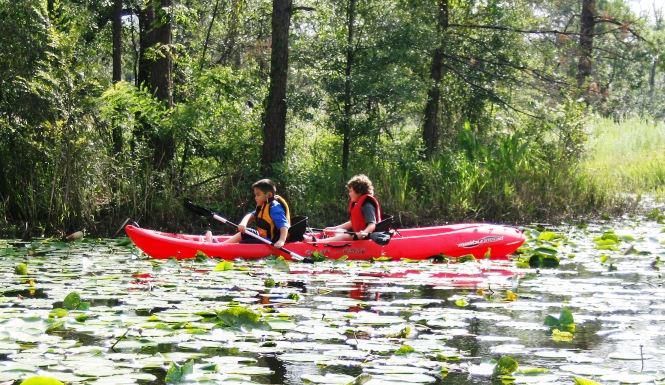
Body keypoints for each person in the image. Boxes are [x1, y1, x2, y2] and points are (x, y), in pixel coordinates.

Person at [218, 179, 290, 248]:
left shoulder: (275, 208)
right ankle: (221, 245)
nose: (255, 197)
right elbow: (251, 215)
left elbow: (283, 225)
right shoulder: (263, 205)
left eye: (258, 195)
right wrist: (243, 223)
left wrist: (281, 241)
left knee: (245, 243)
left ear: (269, 195)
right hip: (262, 237)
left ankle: (223, 247)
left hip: (271, 242)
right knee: (246, 232)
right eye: (255, 195)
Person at [323, 174, 381, 242]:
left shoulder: (367, 205)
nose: (349, 194)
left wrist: (365, 232)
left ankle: (318, 242)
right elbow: (353, 222)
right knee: (339, 231)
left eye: (351, 191)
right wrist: (334, 228)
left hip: (367, 237)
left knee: (344, 236)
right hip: (358, 236)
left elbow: (372, 224)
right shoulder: (358, 204)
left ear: (359, 191)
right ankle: (333, 241)